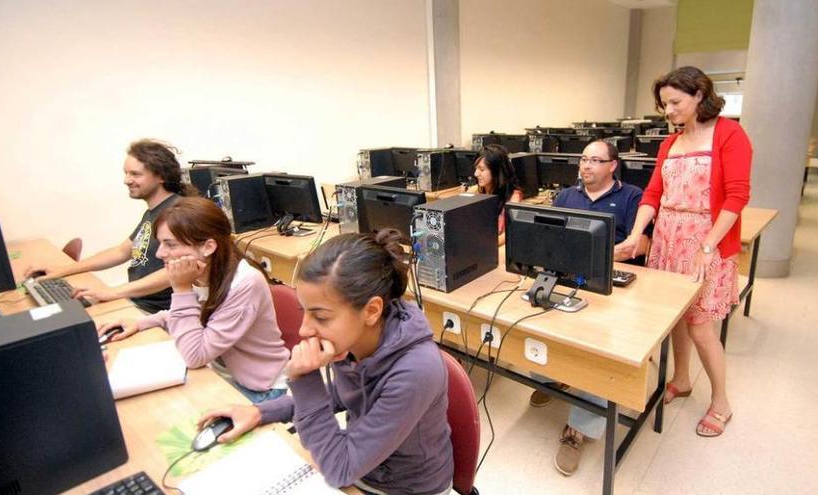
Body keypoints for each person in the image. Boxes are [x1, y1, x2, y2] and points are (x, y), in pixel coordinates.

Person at [197, 229, 453, 494]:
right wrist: (262, 412)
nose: (305, 330)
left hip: (403, 489)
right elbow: (340, 394)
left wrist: (304, 378)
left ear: (372, 310)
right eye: (304, 312)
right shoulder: (355, 339)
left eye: (320, 317)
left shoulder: (416, 371)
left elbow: (339, 468)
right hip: (361, 469)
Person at [619, 66, 752, 438]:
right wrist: (635, 234)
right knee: (675, 317)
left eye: (675, 102)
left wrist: (708, 245)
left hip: (706, 239)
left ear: (699, 96)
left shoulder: (729, 134)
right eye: (664, 105)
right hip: (668, 237)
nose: (668, 111)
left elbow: (738, 196)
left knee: (700, 326)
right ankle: (681, 377)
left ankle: (721, 401)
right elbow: (653, 195)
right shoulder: (669, 143)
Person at [530, 139, 652, 476]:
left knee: (601, 353)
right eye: (583, 160)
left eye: (595, 161)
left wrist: (597, 254)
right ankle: (553, 380)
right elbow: (547, 233)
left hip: (613, 285)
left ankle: (578, 430)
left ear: (613, 165)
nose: (586, 166)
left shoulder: (630, 197)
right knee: (534, 317)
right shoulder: (567, 196)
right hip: (569, 275)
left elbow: (641, 244)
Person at [97, 197, 289, 403]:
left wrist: (181, 289)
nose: (160, 253)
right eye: (160, 243)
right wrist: (142, 322)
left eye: (169, 244)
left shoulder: (244, 283)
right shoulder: (206, 272)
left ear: (208, 247)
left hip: (260, 389)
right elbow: (196, 313)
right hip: (220, 374)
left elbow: (195, 355)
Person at [23, 139, 194, 312]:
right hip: (136, 301)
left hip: (155, 311)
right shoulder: (154, 211)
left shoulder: (177, 212)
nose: (126, 180)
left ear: (161, 176)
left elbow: (174, 272)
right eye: (126, 173)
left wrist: (112, 292)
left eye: (135, 174)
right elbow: (121, 251)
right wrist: (62, 270)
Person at [474, 143, 523, 245]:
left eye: (482, 169)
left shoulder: (513, 199)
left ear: (496, 172)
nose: (476, 174)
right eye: (476, 168)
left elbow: (509, 234)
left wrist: (482, 246)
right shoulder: (477, 191)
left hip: (494, 249)